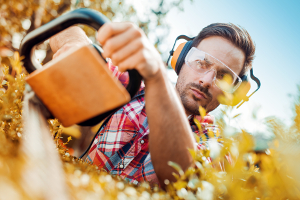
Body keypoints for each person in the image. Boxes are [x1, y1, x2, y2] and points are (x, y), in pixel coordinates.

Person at [49, 21, 255, 187]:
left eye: (224, 77)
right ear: (181, 58)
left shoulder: (220, 148)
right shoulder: (133, 86)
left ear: (233, 93)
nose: (207, 80)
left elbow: (181, 174)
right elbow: (66, 29)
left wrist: (157, 76)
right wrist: (76, 48)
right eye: (202, 61)